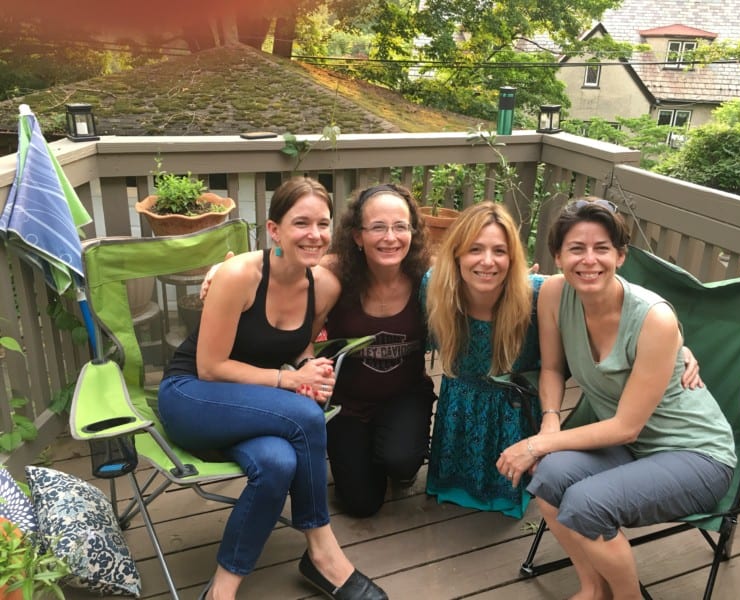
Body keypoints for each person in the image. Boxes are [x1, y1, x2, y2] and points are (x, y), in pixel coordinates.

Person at [158, 177, 387, 600]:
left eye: (322, 223)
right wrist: (287, 380)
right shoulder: (240, 275)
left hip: (247, 407)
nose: (314, 234)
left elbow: (296, 345)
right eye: (301, 223)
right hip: (191, 397)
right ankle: (322, 551)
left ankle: (221, 590)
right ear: (274, 229)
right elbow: (210, 367)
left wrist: (309, 369)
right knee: (303, 416)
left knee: (279, 462)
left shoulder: (324, 286)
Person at [496, 198, 735, 600]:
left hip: (696, 454)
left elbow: (627, 427)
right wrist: (550, 420)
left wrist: (537, 443)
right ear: (557, 255)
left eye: (602, 248)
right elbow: (553, 369)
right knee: (548, 476)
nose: (589, 260)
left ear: (621, 256)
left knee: (587, 504)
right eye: (576, 248)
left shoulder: (653, 319)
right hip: (628, 447)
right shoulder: (554, 294)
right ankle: (593, 588)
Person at [423, 201, 546, 518]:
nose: (487, 262)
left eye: (499, 251)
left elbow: (609, 303)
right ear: (457, 254)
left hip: (514, 415)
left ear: (512, 257)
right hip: (457, 414)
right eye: (475, 249)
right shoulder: (434, 287)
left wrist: (676, 346)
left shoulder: (537, 295)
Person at [323, 184, 436, 517]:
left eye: (400, 226)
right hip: (347, 405)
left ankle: (395, 451)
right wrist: (225, 270)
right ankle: (363, 450)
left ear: (412, 232)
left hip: (405, 395)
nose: (391, 237)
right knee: (361, 505)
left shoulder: (428, 275)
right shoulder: (334, 272)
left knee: (401, 464)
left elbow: (483, 274)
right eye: (378, 227)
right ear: (358, 236)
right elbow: (282, 268)